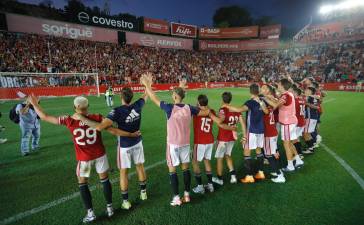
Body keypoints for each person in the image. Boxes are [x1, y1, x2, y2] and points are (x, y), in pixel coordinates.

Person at [28, 94, 140, 223]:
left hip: (84, 158)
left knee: (83, 183)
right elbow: (113, 130)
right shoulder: (97, 117)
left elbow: (44, 116)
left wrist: (35, 104)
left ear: (75, 107)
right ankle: (110, 208)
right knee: (104, 180)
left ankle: (90, 213)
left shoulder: (69, 120)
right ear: (88, 106)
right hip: (100, 155)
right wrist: (130, 134)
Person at [140, 72, 209, 206]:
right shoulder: (190, 108)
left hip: (173, 145)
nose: (172, 95)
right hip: (184, 144)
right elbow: (205, 112)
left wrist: (147, 85)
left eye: (173, 94)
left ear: (176, 96)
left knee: (172, 171)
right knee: (185, 169)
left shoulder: (169, 108)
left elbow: (153, 98)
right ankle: (187, 195)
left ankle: (176, 198)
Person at [78, 87, 148, 210]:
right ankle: (143, 193)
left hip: (124, 146)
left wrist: (83, 118)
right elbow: (145, 95)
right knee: (140, 167)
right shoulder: (138, 105)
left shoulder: (116, 111)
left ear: (121, 97)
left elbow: (100, 127)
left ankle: (126, 201)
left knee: (123, 172)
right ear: (132, 97)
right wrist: (147, 84)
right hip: (138, 142)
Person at [191, 94, 237, 194]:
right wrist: (231, 128)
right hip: (209, 140)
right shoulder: (211, 111)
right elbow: (220, 122)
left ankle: (200, 186)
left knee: (195, 162)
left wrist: (197, 106)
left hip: (200, 141)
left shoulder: (196, 111)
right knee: (206, 161)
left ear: (199, 103)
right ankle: (210, 185)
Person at [224, 84, 267, 183]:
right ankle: (260, 173)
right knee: (258, 150)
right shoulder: (262, 101)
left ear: (250, 91)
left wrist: (227, 106)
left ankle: (249, 176)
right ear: (258, 91)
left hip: (252, 130)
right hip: (261, 130)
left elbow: (239, 109)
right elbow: (266, 111)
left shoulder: (250, 102)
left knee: (246, 151)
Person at [264, 78, 304, 172]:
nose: (277, 85)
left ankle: (290, 166)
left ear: (282, 85)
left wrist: (265, 98)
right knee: (289, 143)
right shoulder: (288, 94)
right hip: (291, 122)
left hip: (287, 123)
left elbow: (275, 105)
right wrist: (271, 98)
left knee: (286, 144)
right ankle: (298, 160)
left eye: (278, 83)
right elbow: (279, 102)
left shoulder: (286, 95)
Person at [212, 92, 246, 185]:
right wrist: (244, 135)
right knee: (228, 155)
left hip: (223, 137)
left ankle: (219, 178)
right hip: (232, 137)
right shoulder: (236, 109)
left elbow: (220, 121)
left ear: (222, 99)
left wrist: (213, 116)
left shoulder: (223, 109)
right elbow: (242, 123)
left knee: (219, 158)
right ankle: (233, 176)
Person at [261, 84, 286, 183]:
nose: (261, 89)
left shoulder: (264, 100)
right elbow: (275, 104)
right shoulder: (271, 99)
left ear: (268, 90)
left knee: (269, 154)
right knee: (273, 152)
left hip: (269, 132)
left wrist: (260, 101)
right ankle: (278, 171)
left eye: (264, 88)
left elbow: (266, 111)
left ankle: (279, 174)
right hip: (272, 130)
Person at [302, 87, 320, 154]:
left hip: (310, 117)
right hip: (312, 117)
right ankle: (311, 146)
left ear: (310, 91)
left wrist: (307, 104)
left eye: (307, 90)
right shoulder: (311, 97)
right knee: (306, 133)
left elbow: (317, 107)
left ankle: (311, 148)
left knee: (305, 133)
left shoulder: (310, 97)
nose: (305, 91)